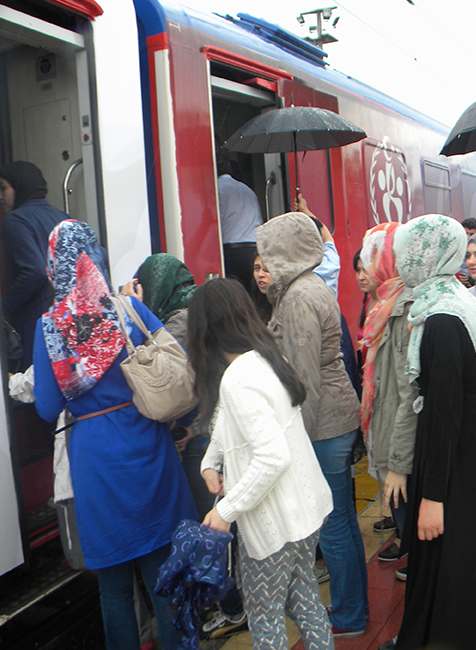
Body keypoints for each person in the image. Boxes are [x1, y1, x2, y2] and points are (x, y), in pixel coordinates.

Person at [33, 220, 197, 650]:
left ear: (55, 264)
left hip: (96, 459)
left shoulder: (50, 327)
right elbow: (177, 370)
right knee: (163, 570)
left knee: (114, 586)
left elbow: (49, 408)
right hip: (147, 444)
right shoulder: (127, 309)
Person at [187, 278, 335, 650]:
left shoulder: (237, 378)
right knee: (305, 601)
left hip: (274, 525)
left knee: (265, 619)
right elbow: (232, 421)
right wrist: (212, 459)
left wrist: (226, 510)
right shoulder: (267, 356)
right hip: (304, 512)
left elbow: (272, 456)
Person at [389, 214, 476, 650]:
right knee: (470, 557)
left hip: (452, 460)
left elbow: (443, 414)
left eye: (407, 252)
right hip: (472, 450)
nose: (401, 260)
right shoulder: (461, 299)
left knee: (451, 561)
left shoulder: (440, 318)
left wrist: (433, 498)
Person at [121, 253, 248, 638]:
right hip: (216, 430)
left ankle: (232, 606)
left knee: (210, 527)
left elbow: (174, 383)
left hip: (203, 435)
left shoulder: (176, 322)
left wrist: (135, 309)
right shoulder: (199, 308)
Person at [255, 213, 367, 638]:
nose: (263, 260)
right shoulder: (305, 287)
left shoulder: (299, 297)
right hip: (334, 419)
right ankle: (354, 606)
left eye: (269, 250)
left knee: (332, 526)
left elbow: (303, 378)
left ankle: (349, 615)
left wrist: (294, 438)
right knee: (342, 522)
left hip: (324, 424)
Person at [357, 223, 419, 565]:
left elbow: (407, 391)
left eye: (373, 257)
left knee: (406, 500)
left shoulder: (403, 306)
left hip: (401, 434)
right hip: (392, 426)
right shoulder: (384, 303)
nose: (367, 267)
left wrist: (398, 462)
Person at [0, 161, 69, 370]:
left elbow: (35, 272)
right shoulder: (63, 217)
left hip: (35, 320)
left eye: (3, 188)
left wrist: (3, 308)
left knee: (35, 385)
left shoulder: (15, 221)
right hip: (66, 316)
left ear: (20, 186)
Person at [218, 155, 263, 290]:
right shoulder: (248, 190)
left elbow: (213, 224)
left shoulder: (216, 190)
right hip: (254, 251)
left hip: (232, 254)